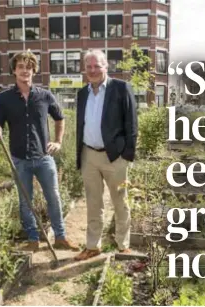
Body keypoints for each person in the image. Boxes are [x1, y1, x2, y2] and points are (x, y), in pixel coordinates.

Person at [0, 51, 79, 252]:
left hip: (43, 158)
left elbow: (60, 118)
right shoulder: (4, 98)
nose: (25, 71)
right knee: (25, 201)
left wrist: (58, 141)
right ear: (14, 70)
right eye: (21, 66)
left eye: (29, 67)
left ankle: (60, 237)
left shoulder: (45, 95)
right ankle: (32, 240)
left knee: (54, 197)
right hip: (20, 159)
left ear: (34, 71)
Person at [74, 49, 138, 261]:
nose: (93, 70)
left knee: (120, 202)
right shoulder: (82, 93)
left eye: (97, 66)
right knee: (93, 203)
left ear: (106, 67)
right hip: (89, 156)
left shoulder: (121, 88)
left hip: (115, 157)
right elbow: (81, 124)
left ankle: (123, 245)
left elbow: (131, 123)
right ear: (85, 69)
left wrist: (127, 155)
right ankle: (93, 246)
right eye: (89, 66)